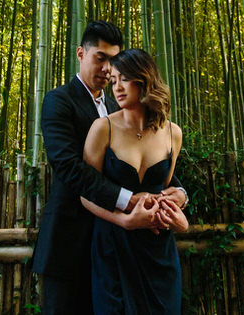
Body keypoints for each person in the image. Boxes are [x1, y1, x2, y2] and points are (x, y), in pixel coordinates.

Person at [34, 22, 186, 315]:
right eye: (100, 58)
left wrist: (178, 193)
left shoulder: (124, 110)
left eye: (113, 62)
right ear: (81, 53)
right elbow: (69, 167)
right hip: (73, 240)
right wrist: (129, 201)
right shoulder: (60, 101)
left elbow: (142, 163)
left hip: (126, 246)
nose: (107, 69)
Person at [79, 48, 187, 315]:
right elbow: (85, 194)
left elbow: (165, 189)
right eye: (114, 80)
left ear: (144, 79)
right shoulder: (102, 128)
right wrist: (124, 221)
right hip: (113, 247)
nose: (117, 87)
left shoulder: (173, 133)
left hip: (158, 249)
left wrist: (180, 207)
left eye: (124, 79)